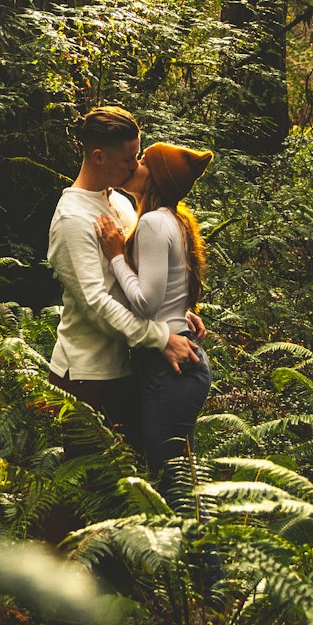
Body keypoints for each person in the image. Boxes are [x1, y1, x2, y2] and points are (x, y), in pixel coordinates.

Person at [47, 106, 201, 452]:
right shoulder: (72, 218)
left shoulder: (120, 204)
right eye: (129, 160)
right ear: (98, 156)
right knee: (83, 492)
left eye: (138, 156)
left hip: (127, 368)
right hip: (87, 376)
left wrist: (172, 312)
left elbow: (137, 278)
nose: (136, 168)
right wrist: (161, 338)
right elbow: (96, 304)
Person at [94, 141, 213, 480]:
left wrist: (116, 254)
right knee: (166, 476)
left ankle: (190, 534)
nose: (136, 163)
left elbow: (147, 302)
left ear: (155, 178)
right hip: (173, 359)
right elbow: (170, 291)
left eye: (144, 160)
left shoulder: (152, 224)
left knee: (171, 480)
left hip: (171, 366)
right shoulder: (168, 220)